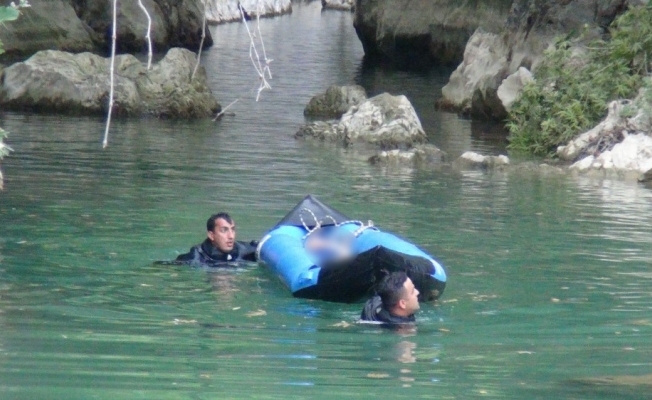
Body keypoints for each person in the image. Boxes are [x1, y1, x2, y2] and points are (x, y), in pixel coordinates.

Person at [176, 212, 257, 265]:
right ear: (211, 235)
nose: (231, 236)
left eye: (232, 229)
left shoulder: (243, 250)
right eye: (224, 230)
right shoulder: (196, 257)